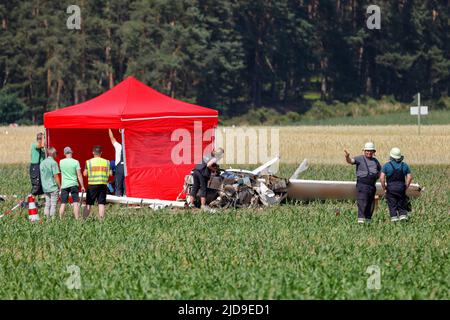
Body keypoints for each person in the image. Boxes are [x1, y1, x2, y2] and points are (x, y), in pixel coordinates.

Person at [345, 142, 381, 223]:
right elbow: (350, 161)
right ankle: (360, 221)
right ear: (364, 151)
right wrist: (347, 157)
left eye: (371, 151)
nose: (369, 152)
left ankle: (368, 221)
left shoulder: (376, 161)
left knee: (370, 204)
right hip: (362, 185)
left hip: (372, 186)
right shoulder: (359, 158)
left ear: (374, 152)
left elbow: (380, 172)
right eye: (367, 151)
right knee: (362, 202)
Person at [380, 147, 413, 222]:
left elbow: (382, 178)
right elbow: (410, 177)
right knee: (402, 205)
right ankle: (403, 220)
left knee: (392, 205)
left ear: (391, 156)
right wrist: (405, 187)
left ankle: (394, 220)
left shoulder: (386, 166)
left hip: (390, 188)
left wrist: (384, 188)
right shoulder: (404, 165)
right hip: (401, 188)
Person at [83, 145, 111, 219]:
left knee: (89, 203)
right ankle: (101, 220)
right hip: (103, 184)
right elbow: (110, 173)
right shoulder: (107, 162)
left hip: (92, 185)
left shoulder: (88, 162)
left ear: (93, 152)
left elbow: (85, 174)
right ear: (101, 153)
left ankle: (84, 219)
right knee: (101, 203)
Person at [59, 147, 86, 220]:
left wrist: (61, 185)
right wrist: (82, 186)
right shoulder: (76, 162)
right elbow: (79, 175)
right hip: (74, 184)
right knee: (75, 203)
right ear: (71, 152)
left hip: (64, 185)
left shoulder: (61, 162)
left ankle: (60, 219)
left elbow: (62, 173)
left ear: (64, 153)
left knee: (63, 203)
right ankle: (77, 219)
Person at [39, 147, 61, 219]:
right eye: (56, 153)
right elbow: (56, 176)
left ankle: (46, 219)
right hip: (53, 187)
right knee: (53, 205)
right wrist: (60, 186)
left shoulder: (42, 163)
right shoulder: (53, 163)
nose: (56, 155)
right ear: (53, 154)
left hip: (45, 187)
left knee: (47, 204)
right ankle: (52, 220)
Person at [108, 129, 125, 196]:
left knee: (118, 188)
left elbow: (112, 138)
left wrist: (109, 128)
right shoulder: (130, 147)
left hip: (119, 169)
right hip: (127, 169)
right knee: (126, 187)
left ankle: (119, 204)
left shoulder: (118, 146)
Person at [30, 132, 46, 198]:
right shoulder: (34, 145)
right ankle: (31, 199)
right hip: (35, 166)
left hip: (41, 166)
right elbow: (40, 145)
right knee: (36, 184)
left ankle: (41, 200)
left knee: (41, 184)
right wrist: (43, 138)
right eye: (42, 138)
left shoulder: (43, 147)